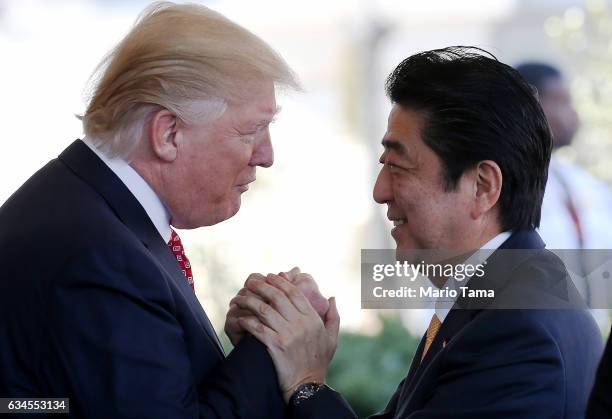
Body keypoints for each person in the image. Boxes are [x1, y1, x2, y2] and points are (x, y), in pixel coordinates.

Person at [0, 2, 337, 418]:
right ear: (168, 133)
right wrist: (278, 339)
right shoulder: (103, 258)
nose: (265, 156)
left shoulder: (89, 211)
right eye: (252, 130)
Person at [228, 47, 604, 418]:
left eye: (398, 165)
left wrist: (306, 384)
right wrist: (284, 347)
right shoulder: (501, 299)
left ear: (482, 186)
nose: (380, 191)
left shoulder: (517, 332)